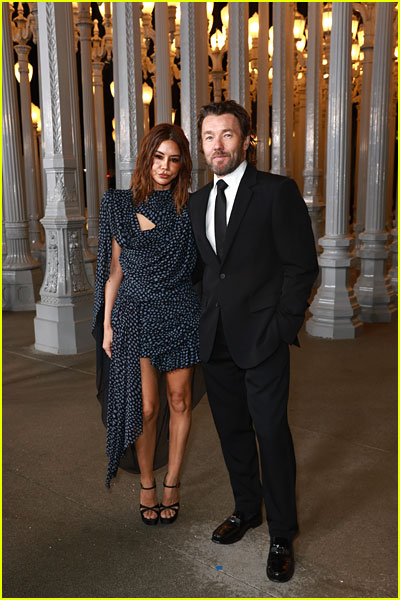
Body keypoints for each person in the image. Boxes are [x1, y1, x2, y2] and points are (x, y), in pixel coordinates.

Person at [188, 100, 318, 582]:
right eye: (208, 136)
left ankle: (282, 531)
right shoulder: (198, 201)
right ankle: (248, 509)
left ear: (246, 140)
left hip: (264, 339)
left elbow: (301, 265)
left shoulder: (276, 192)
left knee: (270, 434)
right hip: (216, 340)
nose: (217, 145)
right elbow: (206, 272)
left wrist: (283, 326)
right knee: (232, 433)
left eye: (226, 135)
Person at [92, 123, 201, 526]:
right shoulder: (118, 204)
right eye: (158, 157)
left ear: (182, 164)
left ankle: (172, 481)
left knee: (179, 401)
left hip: (179, 310)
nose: (165, 166)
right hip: (134, 313)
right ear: (146, 157)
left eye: (174, 159)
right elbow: (114, 271)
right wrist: (107, 326)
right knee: (148, 407)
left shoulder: (190, 207)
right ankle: (146, 483)